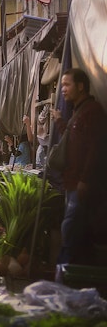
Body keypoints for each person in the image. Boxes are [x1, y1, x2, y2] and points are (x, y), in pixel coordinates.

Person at [51, 68, 107, 265]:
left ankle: (64, 271)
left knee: (70, 227)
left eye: (67, 85)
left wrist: (85, 180)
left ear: (81, 86)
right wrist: (59, 120)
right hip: (72, 182)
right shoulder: (78, 112)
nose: (63, 89)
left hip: (81, 184)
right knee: (72, 227)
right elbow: (70, 138)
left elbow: (95, 148)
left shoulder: (92, 111)